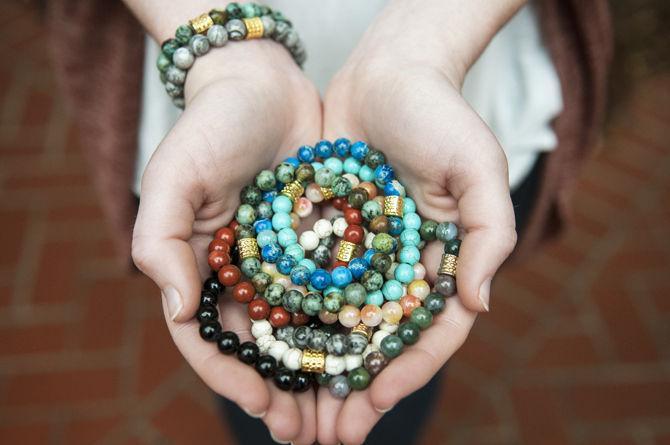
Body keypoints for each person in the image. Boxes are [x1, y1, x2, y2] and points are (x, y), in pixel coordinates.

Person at [47, 1, 612, 443]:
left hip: (450, 122)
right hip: (220, 132)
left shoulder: (384, 229)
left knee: (394, 382)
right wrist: (224, 67)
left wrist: (427, 40)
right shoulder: (273, 228)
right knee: (261, 390)